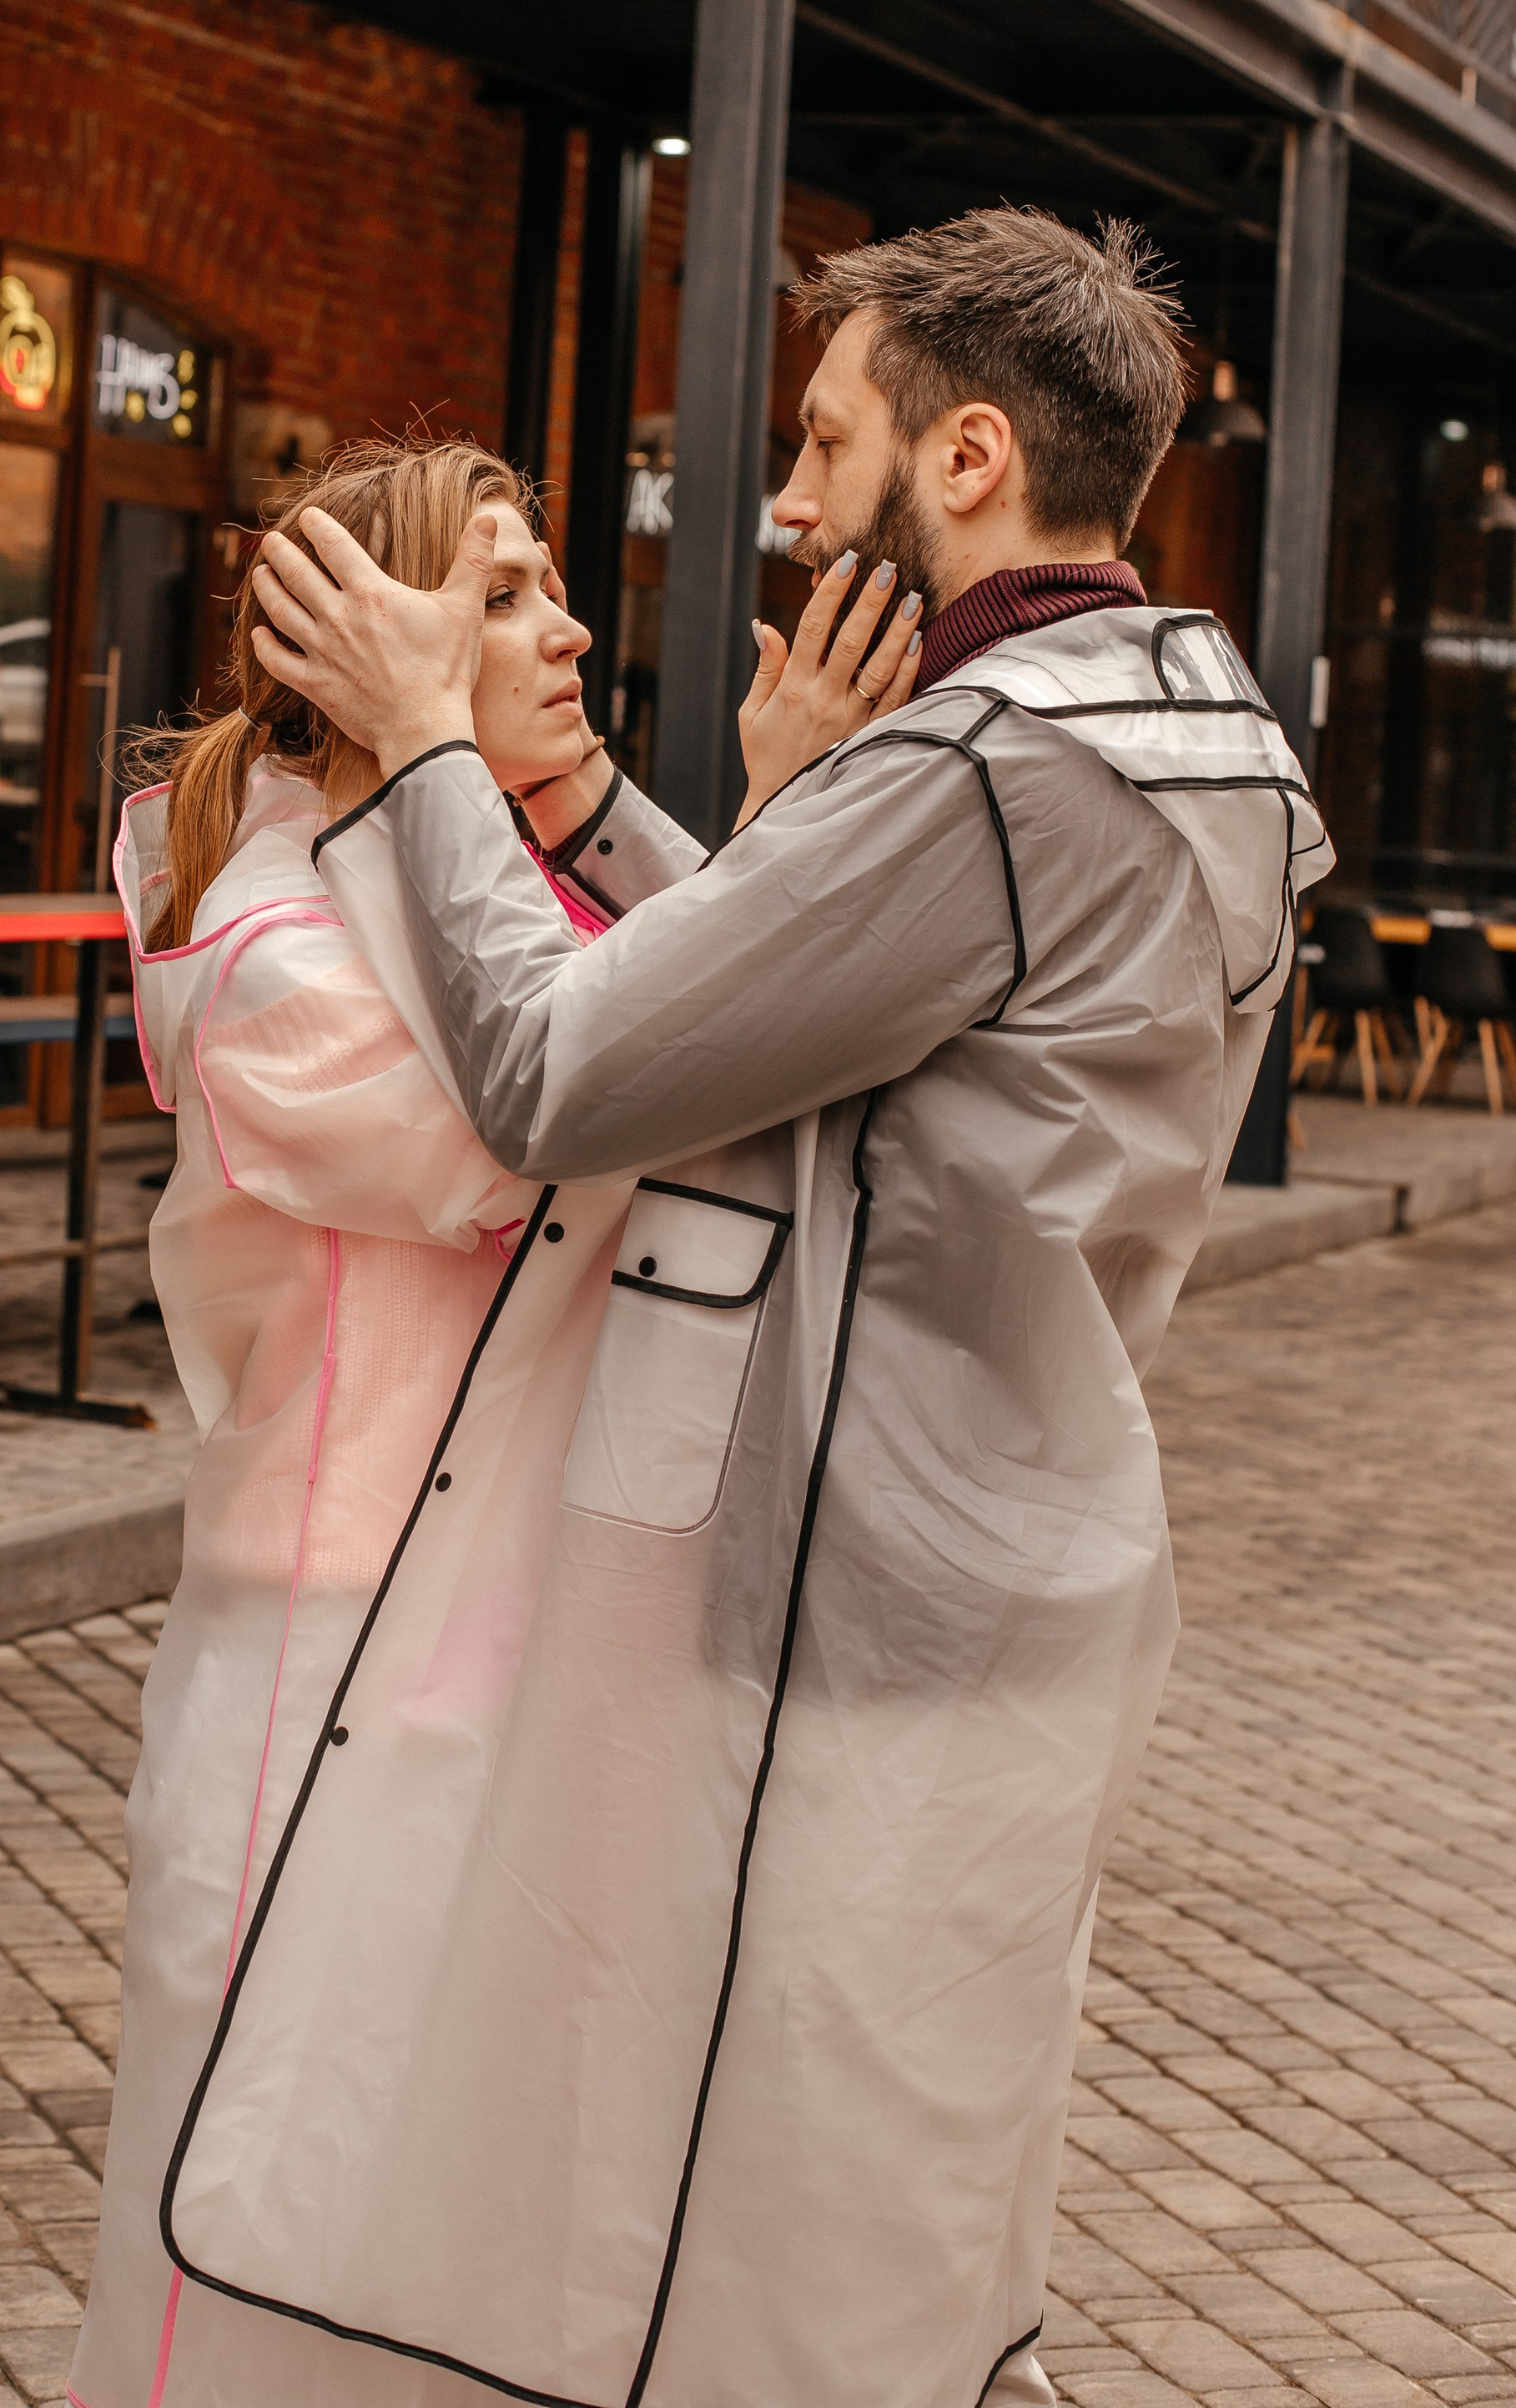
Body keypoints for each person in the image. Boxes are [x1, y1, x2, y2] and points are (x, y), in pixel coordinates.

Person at [180, 209, 1330, 2408]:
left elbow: (558, 1075)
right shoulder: (1193, 729)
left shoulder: (981, 768)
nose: (788, 505)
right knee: (913, 2195)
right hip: (1025, 1526)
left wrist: (424, 751)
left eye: (823, 439)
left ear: (968, 457)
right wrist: (587, 803)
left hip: (853, 1575)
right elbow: (805, 991)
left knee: (797, 2254)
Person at [67, 431, 930, 2408]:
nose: (568, 634)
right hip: (328, 1662)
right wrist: (771, 829)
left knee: (452, 2218)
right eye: (503, 596)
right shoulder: (265, 952)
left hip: (511, 1646)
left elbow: (713, 1050)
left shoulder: (489, 885)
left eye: (551, 585)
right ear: (378, 646)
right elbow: (585, 1118)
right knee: (261, 2215)